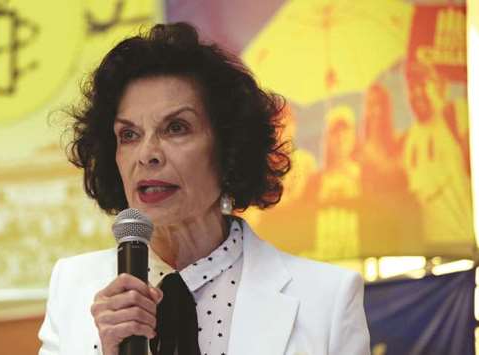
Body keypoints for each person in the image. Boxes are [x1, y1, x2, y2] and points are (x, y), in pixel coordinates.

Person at [38, 22, 370, 355]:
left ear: (228, 149)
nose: (147, 154)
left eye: (176, 127)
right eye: (129, 135)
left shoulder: (328, 299)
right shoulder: (74, 288)